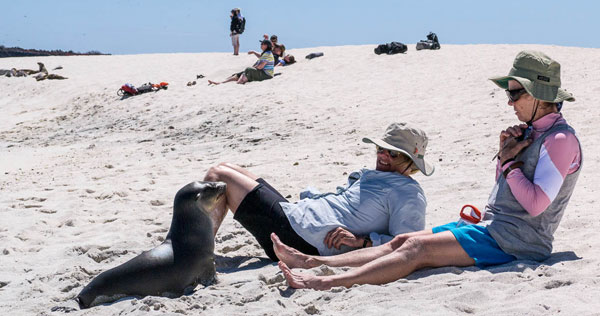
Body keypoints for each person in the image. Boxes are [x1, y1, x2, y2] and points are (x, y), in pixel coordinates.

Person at [273, 50, 582, 290]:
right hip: (495, 228)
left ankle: (324, 282)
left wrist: (511, 163)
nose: (509, 102)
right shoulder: (534, 133)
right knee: (402, 240)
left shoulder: (559, 139)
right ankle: (311, 261)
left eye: (515, 93)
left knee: (417, 249)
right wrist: (505, 156)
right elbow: (503, 190)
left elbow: (536, 205)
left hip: (518, 243)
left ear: (537, 95)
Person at [203, 123, 435, 261]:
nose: (382, 156)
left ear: (411, 162)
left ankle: (196, 256)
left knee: (218, 176)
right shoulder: (379, 175)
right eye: (380, 149)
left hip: (301, 239)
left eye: (392, 153)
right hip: (297, 216)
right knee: (228, 167)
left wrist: (361, 242)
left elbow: (407, 245)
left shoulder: (408, 195)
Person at [208, 40, 274, 85]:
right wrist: (254, 52)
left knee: (248, 70)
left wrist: (252, 68)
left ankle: (239, 82)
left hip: (266, 75)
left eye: (262, 44)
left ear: (266, 46)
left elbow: (260, 67)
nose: (261, 45)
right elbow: (261, 57)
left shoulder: (267, 54)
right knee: (241, 73)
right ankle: (221, 82)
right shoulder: (266, 53)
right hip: (263, 73)